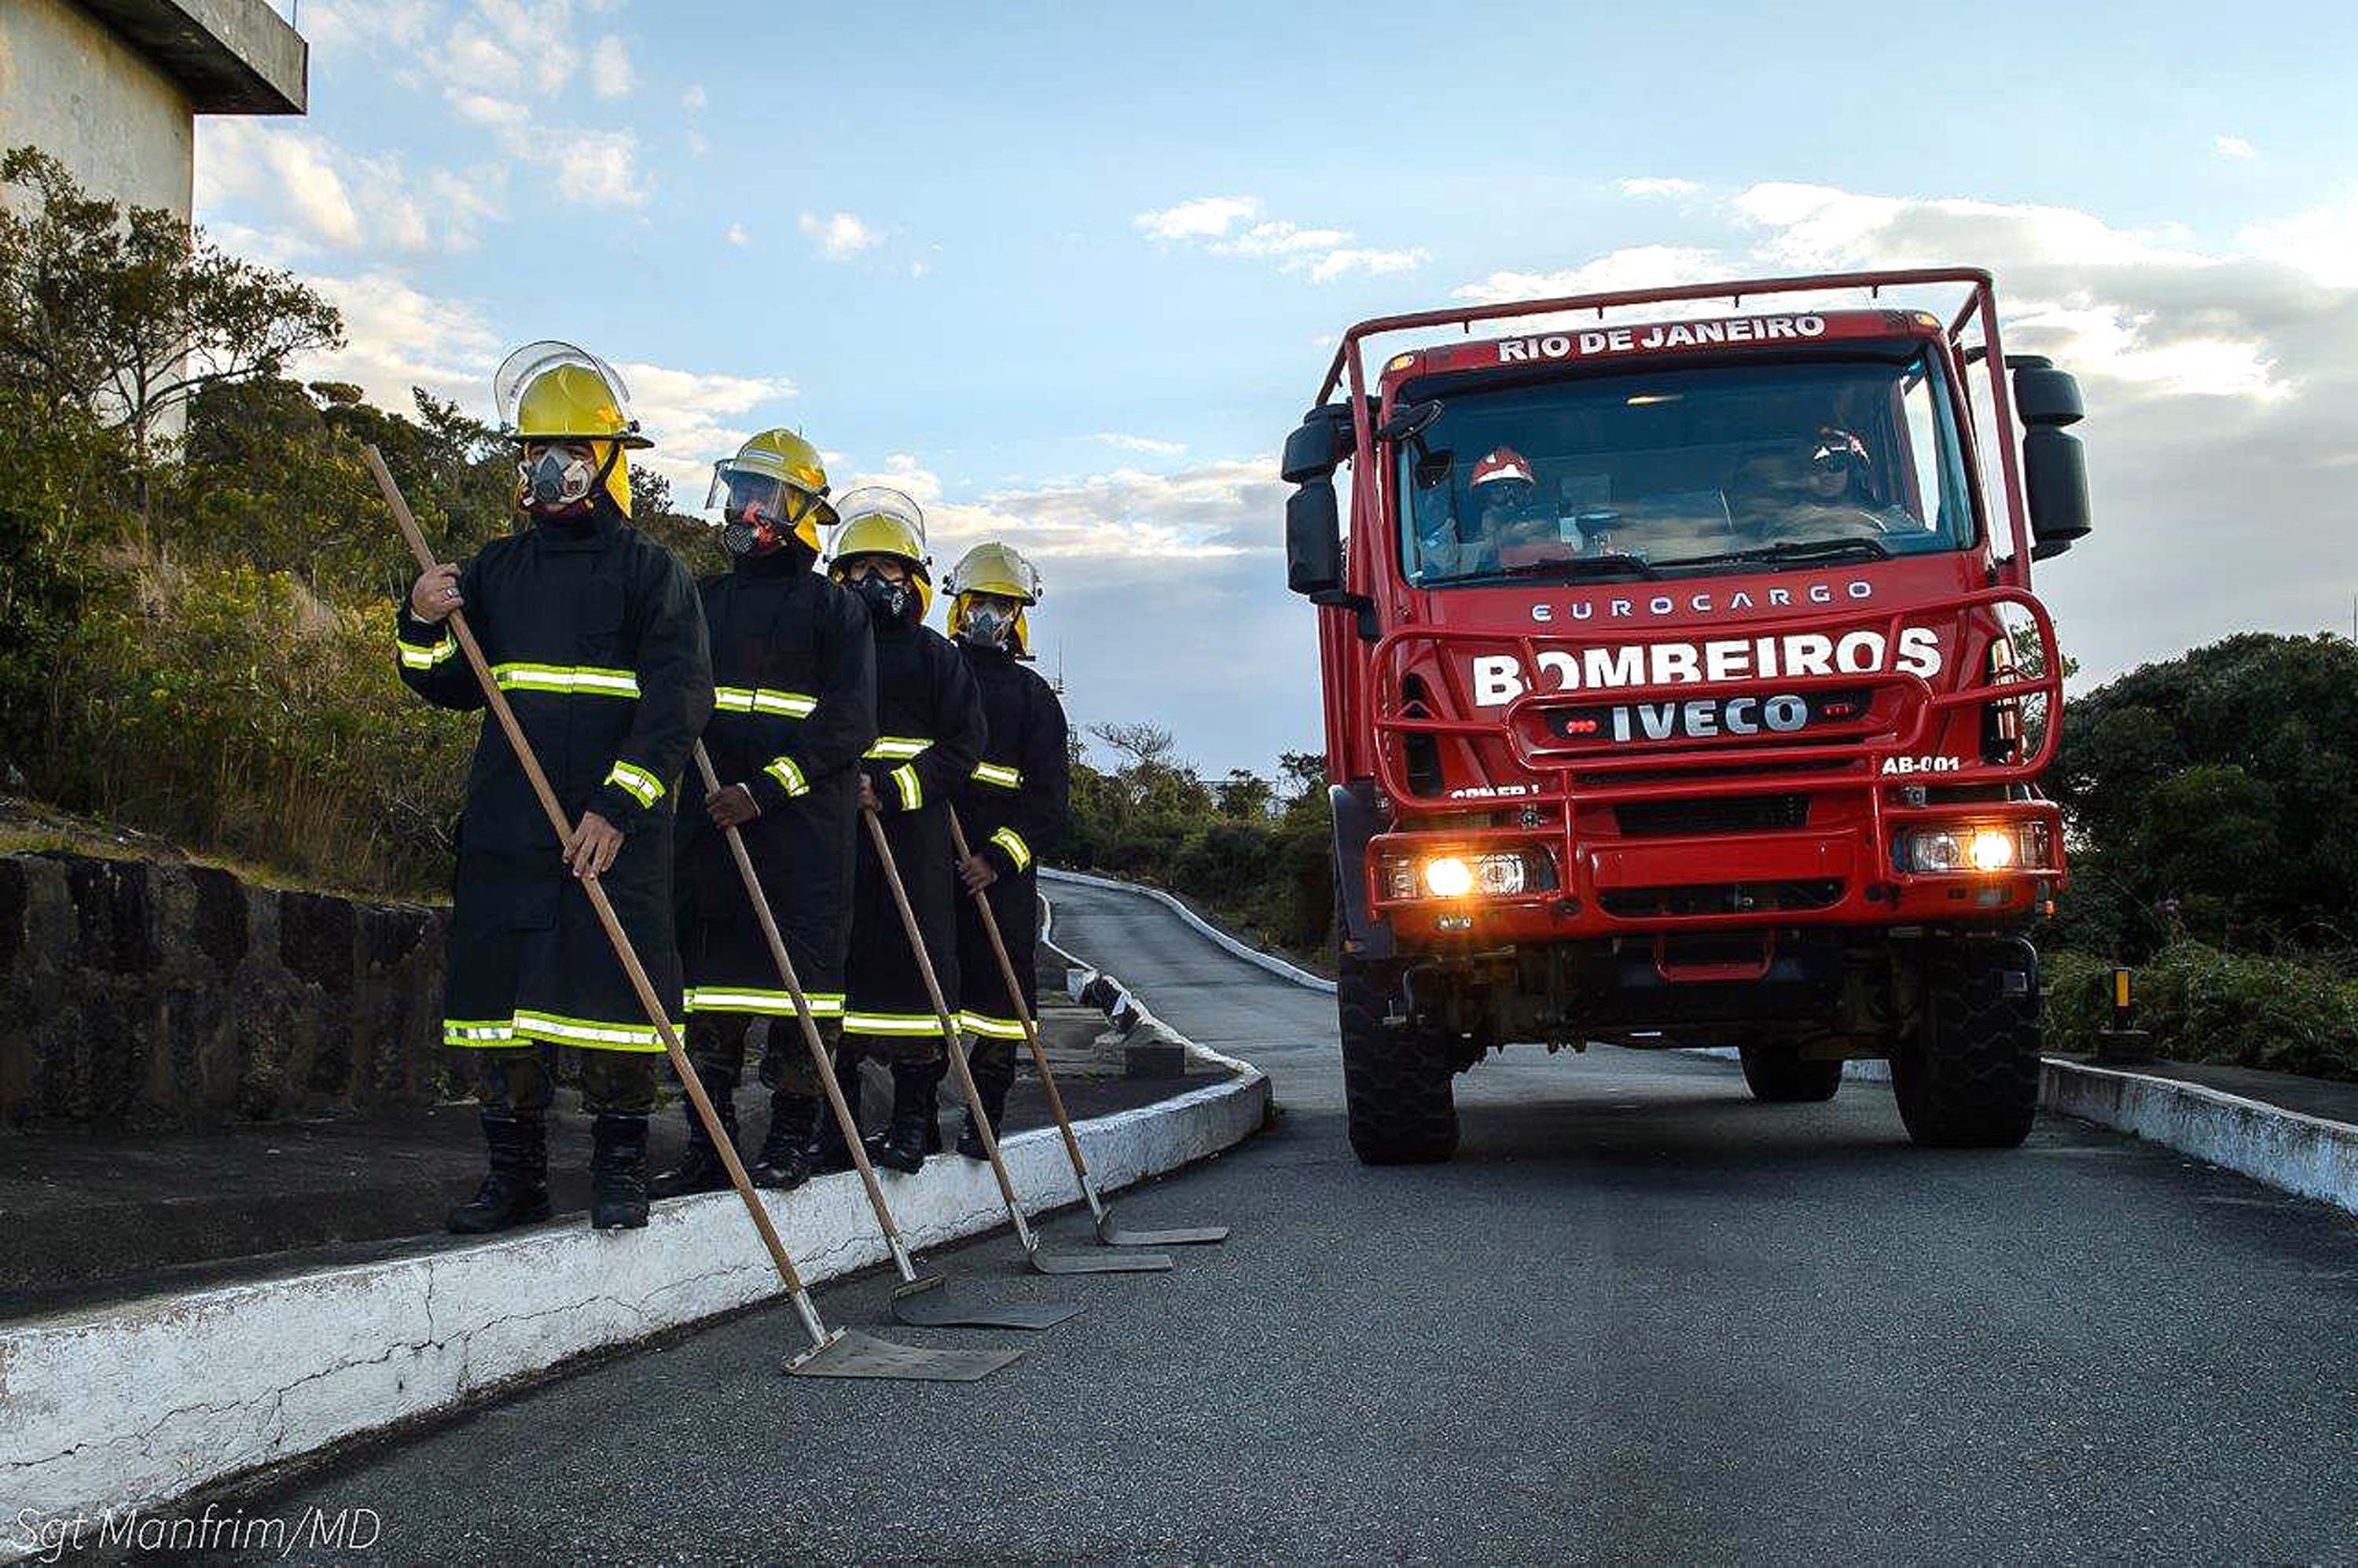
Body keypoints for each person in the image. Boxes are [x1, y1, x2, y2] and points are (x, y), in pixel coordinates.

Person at [397, 341, 712, 1233]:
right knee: (503, 1011)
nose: (552, 467)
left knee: (618, 1008)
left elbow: (682, 699)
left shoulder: (653, 572)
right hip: (508, 825)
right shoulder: (492, 570)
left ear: (609, 462)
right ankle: (516, 1176)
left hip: (614, 832)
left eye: (573, 450)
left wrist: (618, 806)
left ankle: (621, 1171)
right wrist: (420, 619)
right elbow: (444, 683)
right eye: (538, 450)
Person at [651, 429, 875, 1200]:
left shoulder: (836, 612)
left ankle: (790, 1142)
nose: (745, 509)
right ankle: (709, 1146)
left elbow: (850, 724)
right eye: (739, 490)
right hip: (707, 835)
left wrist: (766, 790)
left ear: (802, 513)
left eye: (763, 495)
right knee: (708, 998)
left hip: (803, 844)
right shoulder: (701, 600)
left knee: (799, 1002)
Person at [826, 489, 984, 1174]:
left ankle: (914, 1122)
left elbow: (963, 748)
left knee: (916, 984)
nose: (870, 584)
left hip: (912, 844)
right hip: (831, 841)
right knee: (835, 981)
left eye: (886, 571)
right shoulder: (825, 651)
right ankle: (835, 1128)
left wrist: (889, 789)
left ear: (912, 580)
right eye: (858, 569)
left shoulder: (935, 658)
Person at [942, 542, 1069, 1159]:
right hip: (926, 866)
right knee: (916, 994)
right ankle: (909, 1117)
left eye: (1003, 605)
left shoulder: (1034, 698)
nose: (990, 615)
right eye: (980, 602)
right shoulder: (937, 673)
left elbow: (1048, 802)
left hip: (1001, 879)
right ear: (959, 606)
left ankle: (984, 1121)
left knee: (999, 1006)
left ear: (1018, 615)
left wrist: (995, 858)